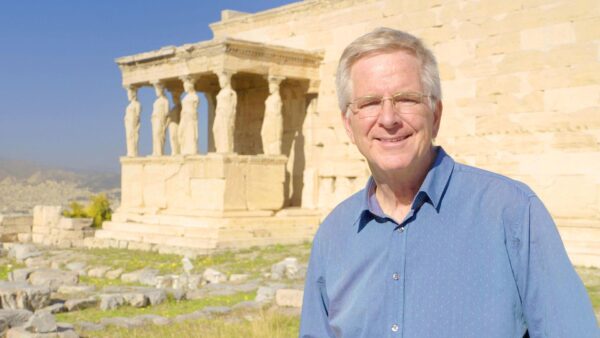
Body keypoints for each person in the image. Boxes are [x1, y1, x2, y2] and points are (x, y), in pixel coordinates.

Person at [299, 27, 598, 338]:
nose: (388, 119)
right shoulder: (333, 236)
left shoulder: (512, 212)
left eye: (406, 99)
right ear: (349, 125)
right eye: (370, 103)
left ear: (436, 115)